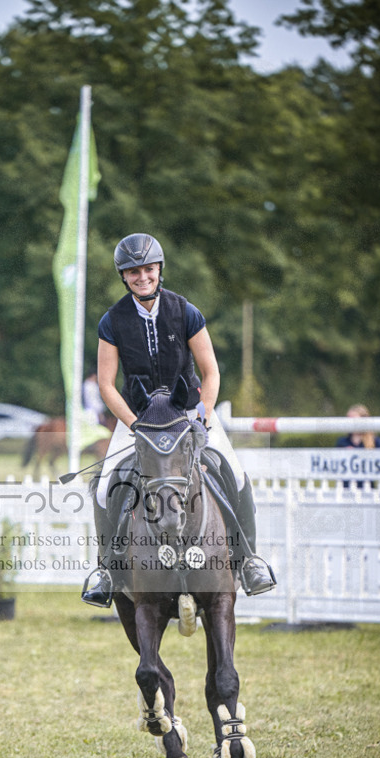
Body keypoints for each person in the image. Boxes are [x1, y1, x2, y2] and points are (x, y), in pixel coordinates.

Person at [81, 232, 276, 607]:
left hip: (189, 411)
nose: (142, 277)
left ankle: (249, 559)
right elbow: (106, 384)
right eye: (134, 271)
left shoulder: (185, 311)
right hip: (139, 417)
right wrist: (133, 424)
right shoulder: (112, 321)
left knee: (235, 474)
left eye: (148, 269)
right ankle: (107, 570)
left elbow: (211, 371)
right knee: (106, 486)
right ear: (124, 276)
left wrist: (203, 414)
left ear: (159, 269)